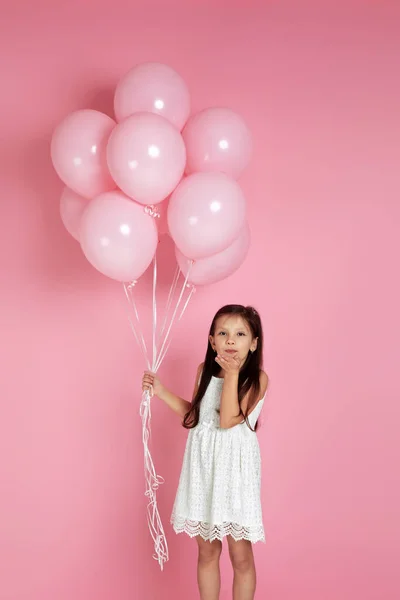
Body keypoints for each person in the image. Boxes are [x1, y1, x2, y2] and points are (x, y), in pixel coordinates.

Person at [142, 304, 268, 600]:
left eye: (239, 334)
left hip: (235, 471)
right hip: (204, 466)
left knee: (240, 554)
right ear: (212, 341)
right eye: (222, 333)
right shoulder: (204, 372)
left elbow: (226, 420)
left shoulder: (257, 379)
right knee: (207, 548)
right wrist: (161, 391)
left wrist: (233, 374)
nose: (230, 340)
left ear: (253, 343)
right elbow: (197, 417)